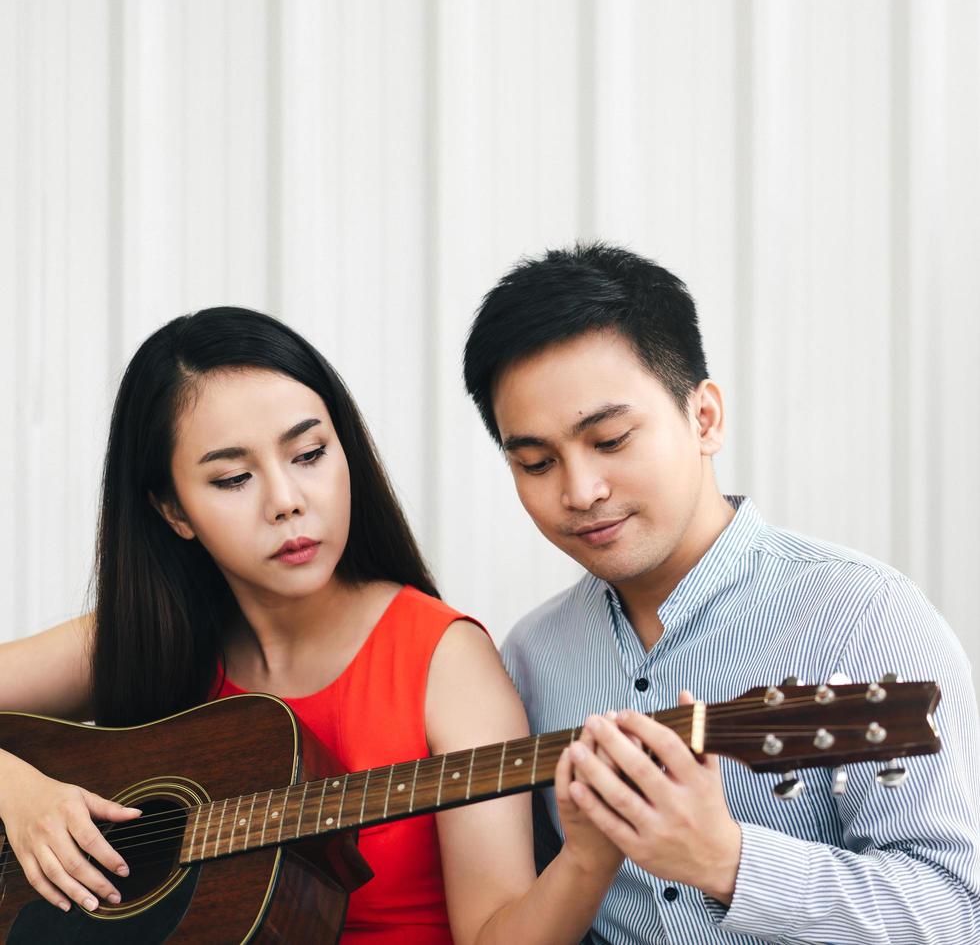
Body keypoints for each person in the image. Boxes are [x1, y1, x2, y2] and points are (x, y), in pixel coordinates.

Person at [0, 306, 622, 944]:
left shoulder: (445, 659)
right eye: (233, 478)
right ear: (174, 511)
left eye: (309, 453)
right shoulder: (148, 637)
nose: (287, 500)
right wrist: (17, 792)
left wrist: (588, 858)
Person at [462, 242, 980, 944]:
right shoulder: (529, 656)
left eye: (609, 440)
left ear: (704, 418)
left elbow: (957, 914)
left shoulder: (862, 618)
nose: (579, 492)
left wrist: (729, 862)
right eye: (536, 461)